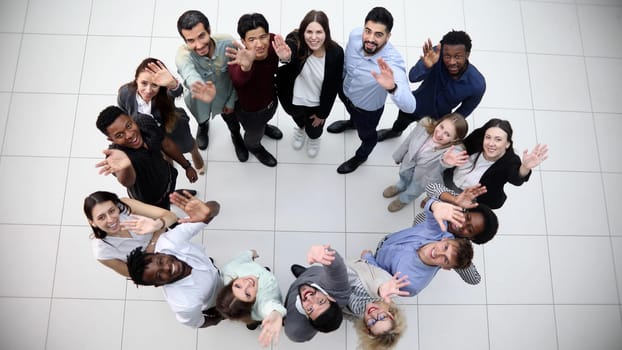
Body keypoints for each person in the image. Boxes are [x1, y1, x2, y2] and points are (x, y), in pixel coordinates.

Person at [324, 7, 416, 174]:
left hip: (367, 110)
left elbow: (410, 106)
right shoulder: (354, 36)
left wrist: (392, 87)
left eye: (378, 34)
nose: (370, 39)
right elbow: (346, 64)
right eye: (368, 31)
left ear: (388, 36)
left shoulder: (392, 63)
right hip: (345, 92)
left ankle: (361, 157)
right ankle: (351, 123)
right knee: (352, 114)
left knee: (368, 136)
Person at [126, 191, 223, 328]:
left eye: (160, 261)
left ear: (158, 252)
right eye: (160, 275)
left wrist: (208, 211)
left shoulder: (168, 242)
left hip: (215, 271)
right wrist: (219, 318)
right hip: (217, 301)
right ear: (159, 284)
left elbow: (213, 209)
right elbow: (197, 322)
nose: (166, 267)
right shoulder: (184, 304)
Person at [362, 198, 497, 296]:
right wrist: (439, 204)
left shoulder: (412, 282)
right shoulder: (440, 228)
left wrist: (368, 260)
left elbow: (381, 284)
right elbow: (431, 199)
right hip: (389, 242)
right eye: (445, 247)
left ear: (446, 267)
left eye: (445, 260)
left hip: (376, 265)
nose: (438, 253)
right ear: (444, 238)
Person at [376, 30, 486, 142]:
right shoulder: (436, 54)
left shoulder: (477, 85)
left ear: (467, 54)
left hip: (437, 119)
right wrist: (426, 66)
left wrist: (445, 126)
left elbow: (462, 113)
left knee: (422, 142)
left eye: (457, 57)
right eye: (447, 56)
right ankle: (395, 131)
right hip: (415, 103)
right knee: (401, 121)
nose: (452, 62)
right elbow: (413, 77)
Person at [291, 253, 410, 349]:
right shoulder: (388, 293)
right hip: (350, 274)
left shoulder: (362, 318)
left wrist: (335, 311)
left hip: (333, 293)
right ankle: (311, 275)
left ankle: (309, 280)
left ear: (367, 329)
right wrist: (379, 289)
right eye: (382, 317)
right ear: (390, 315)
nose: (373, 315)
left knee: (317, 296)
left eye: (372, 323)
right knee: (322, 276)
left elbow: (350, 315)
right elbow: (375, 282)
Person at [176, 10, 248, 162]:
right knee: (201, 119)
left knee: (232, 122)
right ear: (185, 41)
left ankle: (236, 136)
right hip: (199, 101)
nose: (199, 45)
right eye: (191, 40)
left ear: (209, 30)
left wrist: (230, 102)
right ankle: (203, 127)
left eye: (201, 36)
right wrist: (200, 87)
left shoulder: (228, 44)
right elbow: (188, 72)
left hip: (225, 97)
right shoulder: (183, 55)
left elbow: (236, 76)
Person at [95, 106, 198, 210]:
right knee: (166, 215)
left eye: (129, 126)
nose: (129, 135)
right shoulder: (116, 157)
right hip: (152, 199)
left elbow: (166, 144)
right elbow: (128, 181)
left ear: (132, 119)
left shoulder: (145, 122)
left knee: (170, 191)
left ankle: (173, 196)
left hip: (167, 175)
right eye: (119, 135)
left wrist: (187, 166)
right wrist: (126, 166)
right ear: (111, 139)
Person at [118, 57, 205, 174]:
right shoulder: (125, 93)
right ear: (136, 79)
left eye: (154, 85)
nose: (148, 90)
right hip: (149, 135)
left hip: (173, 127)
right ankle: (170, 167)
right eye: (143, 83)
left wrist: (173, 84)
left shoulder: (165, 94)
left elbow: (176, 91)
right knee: (164, 154)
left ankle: (195, 154)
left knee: (188, 145)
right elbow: (124, 111)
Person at [276, 10, 344, 157]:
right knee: (299, 120)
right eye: (309, 32)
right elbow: (290, 49)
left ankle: (313, 139)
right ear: (303, 31)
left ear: (326, 32)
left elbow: (332, 87)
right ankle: (301, 129)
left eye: (319, 32)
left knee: (314, 130)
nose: (313, 38)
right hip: (294, 99)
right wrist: (286, 58)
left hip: (317, 104)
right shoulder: (296, 40)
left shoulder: (336, 53)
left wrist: (323, 114)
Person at [440, 118, 549, 209]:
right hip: (451, 180)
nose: (491, 143)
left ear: (507, 144)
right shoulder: (476, 140)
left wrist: (525, 167)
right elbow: (460, 148)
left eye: (498, 140)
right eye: (488, 137)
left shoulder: (510, 160)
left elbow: (516, 179)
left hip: (473, 198)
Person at [225, 13, 287, 167]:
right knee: (253, 136)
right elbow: (238, 80)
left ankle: (264, 127)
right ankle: (255, 148)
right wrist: (246, 67)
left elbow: (286, 58)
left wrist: (286, 59)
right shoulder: (237, 60)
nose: (259, 44)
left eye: (263, 37)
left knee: (264, 122)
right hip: (250, 111)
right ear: (243, 41)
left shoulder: (274, 43)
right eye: (252, 40)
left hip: (271, 100)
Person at [382, 113, 468, 212]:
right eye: (441, 126)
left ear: (455, 139)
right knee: (403, 176)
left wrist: (445, 162)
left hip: (424, 178)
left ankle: (403, 200)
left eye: (447, 134)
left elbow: (443, 164)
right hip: (408, 164)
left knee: (413, 191)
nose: (439, 134)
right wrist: (399, 155)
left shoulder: (452, 152)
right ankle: (400, 186)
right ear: (439, 122)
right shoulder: (423, 126)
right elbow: (408, 141)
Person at [84, 191, 178, 277]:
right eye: (101, 217)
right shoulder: (102, 252)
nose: (110, 220)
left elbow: (171, 217)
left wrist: (156, 226)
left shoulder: (125, 205)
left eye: (112, 211)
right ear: (92, 222)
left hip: (173, 242)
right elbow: (134, 274)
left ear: (117, 207)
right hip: (165, 271)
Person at [216, 249, 285, 347]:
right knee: (254, 320)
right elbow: (270, 307)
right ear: (252, 304)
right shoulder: (262, 304)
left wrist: (252, 253)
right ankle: (252, 323)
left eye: (238, 286)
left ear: (231, 282)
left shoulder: (231, 268)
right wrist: (276, 314)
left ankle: (251, 324)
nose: (248, 283)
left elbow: (247, 254)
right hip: (256, 314)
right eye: (247, 294)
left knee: (251, 322)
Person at [284, 244, 350, 342]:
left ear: (307, 316)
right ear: (330, 298)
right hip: (314, 274)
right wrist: (324, 253)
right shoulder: (339, 291)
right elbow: (336, 267)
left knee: (285, 310)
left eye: (310, 309)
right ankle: (304, 274)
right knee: (307, 276)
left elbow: (297, 335)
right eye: (321, 301)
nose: (309, 297)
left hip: (292, 305)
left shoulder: (295, 329)